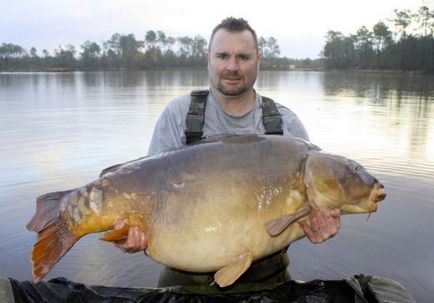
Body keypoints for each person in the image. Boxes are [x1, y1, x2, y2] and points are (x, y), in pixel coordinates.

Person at [114, 17, 340, 287]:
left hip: (268, 277)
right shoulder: (178, 115)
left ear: (259, 59)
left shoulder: (286, 126)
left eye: (243, 57)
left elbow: (304, 210)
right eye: (223, 56)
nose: (232, 67)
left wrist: (317, 224)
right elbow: (146, 191)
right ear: (208, 59)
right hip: (184, 277)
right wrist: (129, 233)